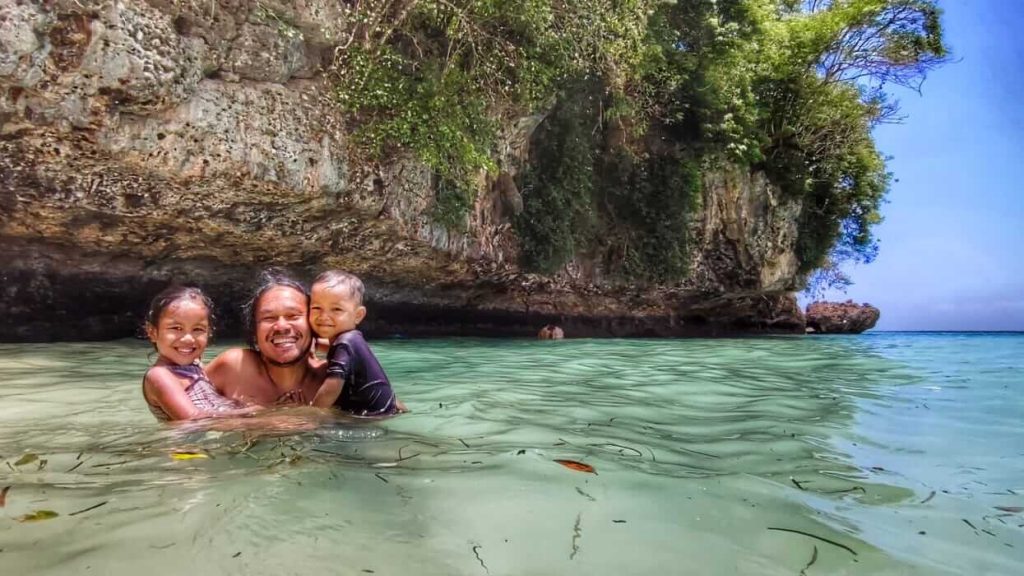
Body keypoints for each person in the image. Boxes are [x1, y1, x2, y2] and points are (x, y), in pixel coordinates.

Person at [206, 269, 327, 407]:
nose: (281, 326)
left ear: (313, 323)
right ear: (254, 332)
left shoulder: (331, 378)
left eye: (293, 316)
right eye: (269, 318)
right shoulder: (234, 368)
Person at [142, 286, 260, 421]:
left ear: (208, 333)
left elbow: (212, 404)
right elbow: (192, 419)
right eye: (176, 328)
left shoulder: (196, 368)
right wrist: (248, 412)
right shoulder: (160, 376)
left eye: (197, 329)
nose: (188, 338)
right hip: (187, 442)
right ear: (152, 332)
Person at [308, 270, 405, 416]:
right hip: (385, 409)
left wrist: (310, 415)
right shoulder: (352, 341)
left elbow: (331, 388)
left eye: (336, 309)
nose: (324, 316)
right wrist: (312, 344)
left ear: (358, 316)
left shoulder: (346, 342)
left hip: (371, 418)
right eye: (316, 308)